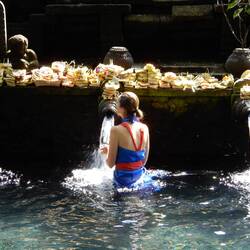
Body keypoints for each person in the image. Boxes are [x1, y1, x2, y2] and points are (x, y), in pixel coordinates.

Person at [100, 91, 150, 188]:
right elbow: (143, 161)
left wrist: (105, 153)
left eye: (117, 103)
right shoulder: (145, 128)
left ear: (122, 109)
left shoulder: (116, 130)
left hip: (122, 182)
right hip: (140, 179)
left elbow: (110, 164)